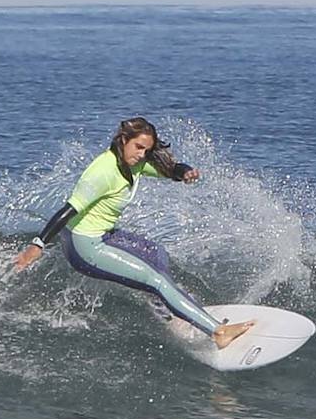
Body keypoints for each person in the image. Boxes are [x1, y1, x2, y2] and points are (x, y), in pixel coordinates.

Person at [13, 118, 255, 349]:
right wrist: (37, 245)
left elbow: (169, 170)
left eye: (146, 150)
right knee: (156, 280)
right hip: (84, 246)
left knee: (155, 254)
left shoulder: (134, 163)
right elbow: (68, 210)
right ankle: (218, 332)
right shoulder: (103, 171)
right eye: (138, 147)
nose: (141, 154)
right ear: (122, 140)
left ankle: (169, 313)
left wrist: (185, 172)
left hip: (103, 235)